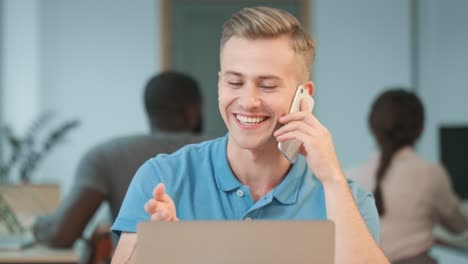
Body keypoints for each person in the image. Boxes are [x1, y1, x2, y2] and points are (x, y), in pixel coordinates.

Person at [112, 7, 389, 264]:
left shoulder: (348, 198)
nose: (248, 101)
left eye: (267, 85)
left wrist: (332, 178)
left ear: (304, 96)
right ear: (220, 84)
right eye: (234, 82)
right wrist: (157, 252)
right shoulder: (161, 177)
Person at [32, 71, 206, 248]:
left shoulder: (107, 155)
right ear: (192, 112)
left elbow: (61, 233)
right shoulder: (229, 152)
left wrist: (37, 225)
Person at [348, 89, 468, 263]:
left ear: (372, 127)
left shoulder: (349, 177)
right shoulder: (430, 173)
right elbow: (459, 225)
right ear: (421, 129)